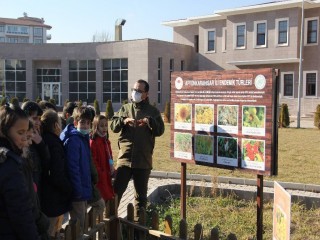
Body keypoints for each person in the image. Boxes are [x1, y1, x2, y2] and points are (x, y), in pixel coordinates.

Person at [110, 79, 165, 221]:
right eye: (134, 90)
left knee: (140, 200)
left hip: (143, 160)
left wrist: (150, 122)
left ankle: (138, 229)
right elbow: (113, 126)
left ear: (146, 94)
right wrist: (123, 120)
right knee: (115, 194)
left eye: (139, 91)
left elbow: (160, 131)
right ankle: (108, 227)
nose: (135, 93)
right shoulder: (125, 108)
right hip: (125, 159)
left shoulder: (153, 111)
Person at [0, 105, 40, 239]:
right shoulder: (10, 163)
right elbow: (20, 210)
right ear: (4, 131)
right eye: (20, 133)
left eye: (26, 133)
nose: (24, 138)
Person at [60, 106, 93, 233]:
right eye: (82, 122)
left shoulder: (83, 138)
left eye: (88, 123)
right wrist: (78, 191)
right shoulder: (74, 140)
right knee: (78, 224)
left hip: (83, 189)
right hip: (77, 192)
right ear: (75, 123)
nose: (85, 126)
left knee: (82, 221)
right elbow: (73, 168)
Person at [40, 109, 72, 238]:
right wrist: (69, 188)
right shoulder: (54, 144)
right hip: (53, 198)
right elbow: (57, 173)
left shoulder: (43, 140)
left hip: (46, 196)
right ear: (55, 125)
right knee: (51, 232)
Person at [21, 101, 50, 194]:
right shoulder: (21, 142)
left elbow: (46, 163)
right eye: (34, 118)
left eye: (39, 119)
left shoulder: (39, 136)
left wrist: (40, 143)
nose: (38, 122)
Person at [90, 115, 115, 203]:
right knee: (101, 198)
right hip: (100, 176)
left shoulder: (106, 141)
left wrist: (112, 167)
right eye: (101, 126)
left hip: (107, 173)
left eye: (106, 125)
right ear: (96, 126)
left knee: (108, 197)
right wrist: (100, 172)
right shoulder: (94, 142)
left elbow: (110, 156)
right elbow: (93, 160)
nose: (104, 128)